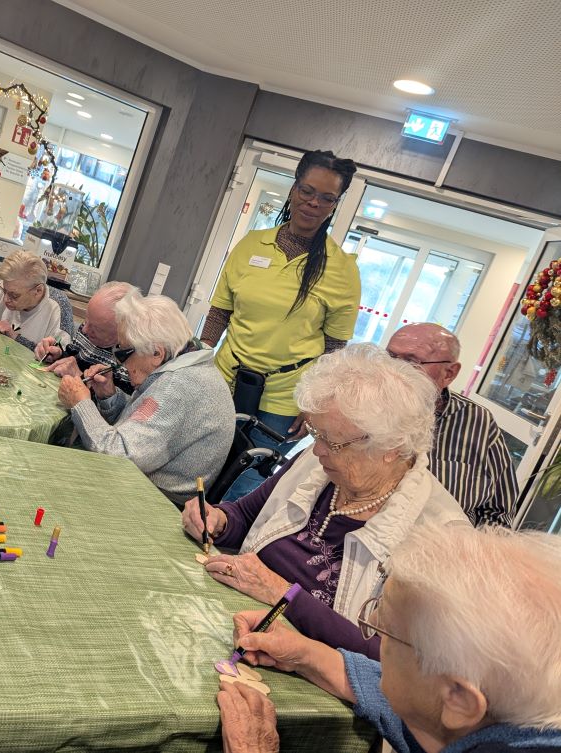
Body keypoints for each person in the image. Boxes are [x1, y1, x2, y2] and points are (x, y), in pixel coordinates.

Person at [182, 344, 470, 658]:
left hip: (312, 678)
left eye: (332, 442)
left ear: (392, 447)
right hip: (239, 624)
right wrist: (218, 521)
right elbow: (247, 515)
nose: (317, 450)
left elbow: (392, 660)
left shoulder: (442, 537)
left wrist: (282, 594)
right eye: (316, 434)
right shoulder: (320, 462)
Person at [217, 524, 561, 753]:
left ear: (459, 699)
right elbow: (421, 707)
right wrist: (304, 654)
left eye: (385, 634)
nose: (375, 643)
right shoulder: (499, 712)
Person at [200, 150, 361, 499]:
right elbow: (218, 314)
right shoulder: (251, 245)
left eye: (326, 197)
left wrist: (315, 405)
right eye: (307, 190)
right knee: (201, 464)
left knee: (245, 484)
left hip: (285, 398)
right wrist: (195, 362)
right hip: (225, 377)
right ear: (293, 189)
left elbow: (335, 350)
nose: (313, 202)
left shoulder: (341, 268)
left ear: (335, 204)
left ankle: (215, 546)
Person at [58, 292, 235, 505]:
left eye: (123, 353)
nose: (120, 363)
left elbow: (116, 457)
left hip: (152, 500)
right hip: (143, 483)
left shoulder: (178, 387)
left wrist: (80, 404)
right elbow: (142, 423)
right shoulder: (186, 363)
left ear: (156, 353)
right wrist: (109, 396)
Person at [387, 323, 518, 526]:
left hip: (442, 546)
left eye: (411, 362)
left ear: (449, 373)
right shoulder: (361, 408)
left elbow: (499, 511)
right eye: (390, 357)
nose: (393, 370)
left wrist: (470, 553)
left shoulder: (476, 422)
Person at [34, 281, 138, 394]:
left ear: (123, 332)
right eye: (86, 319)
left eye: (97, 328)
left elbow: (110, 408)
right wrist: (57, 355)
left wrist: (79, 376)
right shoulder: (90, 327)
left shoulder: (133, 361)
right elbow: (73, 357)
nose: (85, 329)